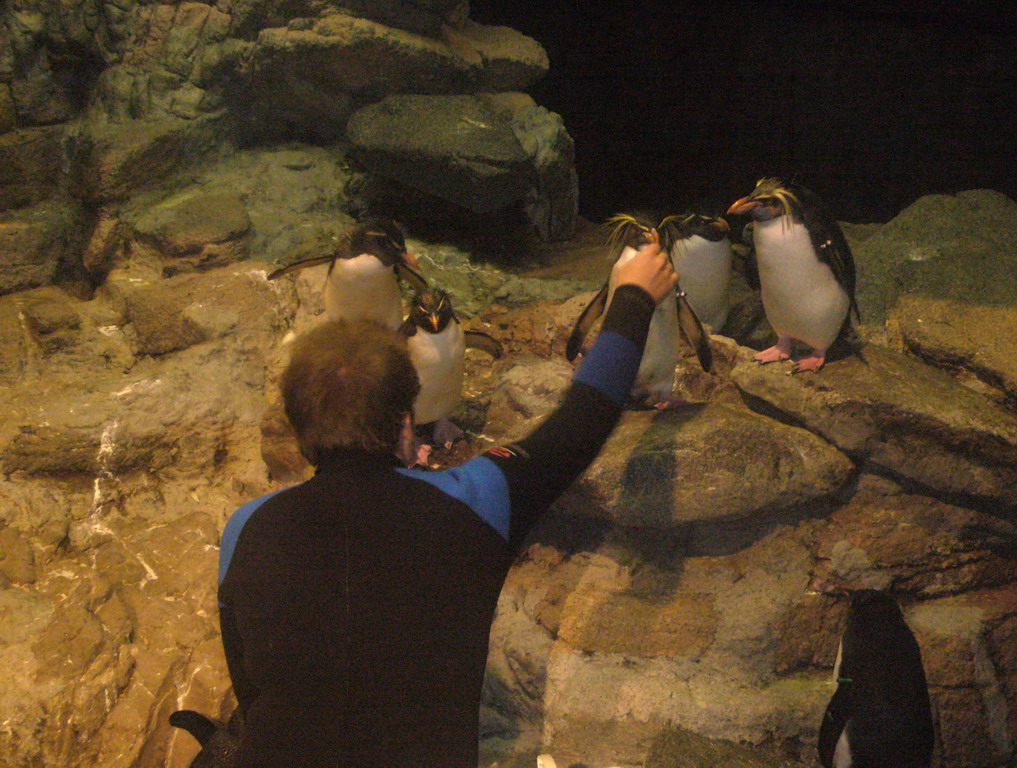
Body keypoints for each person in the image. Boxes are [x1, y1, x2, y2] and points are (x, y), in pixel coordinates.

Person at [217, 243, 680, 767]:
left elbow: (250, 689)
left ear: (300, 435)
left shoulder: (244, 529)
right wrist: (635, 296)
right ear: (406, 425)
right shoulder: (476, 501)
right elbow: (584, 418)